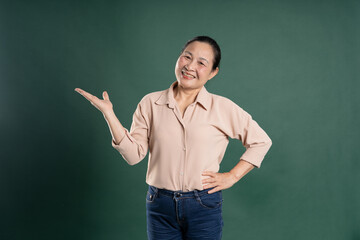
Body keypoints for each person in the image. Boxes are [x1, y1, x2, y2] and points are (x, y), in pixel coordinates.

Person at [75, 36, 272, 240]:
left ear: (213, 73)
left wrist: (232, 176)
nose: (190, 66)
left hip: (204, 204)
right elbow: (133, 156)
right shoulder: (150, 103)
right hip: (160, 204)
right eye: (187, 57)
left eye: (201, 63)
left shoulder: (222, 107)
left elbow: (261, 141)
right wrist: (109, 114)